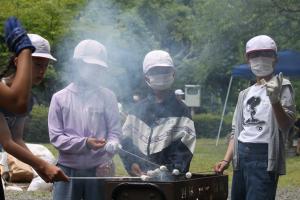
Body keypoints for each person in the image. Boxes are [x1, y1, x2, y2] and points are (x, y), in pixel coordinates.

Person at [214, 35, 296, 200]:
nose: (260, 58)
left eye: (266, 54)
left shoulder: (283, 86)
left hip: (263, 155)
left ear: (275, 58)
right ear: (248, 59)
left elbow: (286, 125)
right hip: (241, 154)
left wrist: (275, 100)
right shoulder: (245, 94)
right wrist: (226, 159)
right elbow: (236, 130)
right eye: (255, 54)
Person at [0, 17, 68, 199]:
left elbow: (17, 138)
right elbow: (6, 142)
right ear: (17, 61)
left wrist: (41, 166)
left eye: (45, 66)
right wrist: (42, 165)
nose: (42, 71)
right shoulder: (4, 91)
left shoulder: (27, 99)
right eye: (37, 64)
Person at [48, 39, 121, 200]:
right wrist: (85, 143)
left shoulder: (108, 96)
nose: (96, 71)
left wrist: (112, 146)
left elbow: (114, 131)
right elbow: (56, 138)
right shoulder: (59, 98)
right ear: (77, 64)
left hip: (99, 169)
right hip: (67, 169)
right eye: (91, 66)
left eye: (99, 67)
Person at [120, 50, 196, 176]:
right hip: (141, 178)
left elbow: (185, 149)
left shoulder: (182, 110)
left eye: (165, 71)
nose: (161, 75)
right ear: (146, 77)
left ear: (173, 74)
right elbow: (125, 142)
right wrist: (131, 164)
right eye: (156, 71)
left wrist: (166, 171)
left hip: (172, 181)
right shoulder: (136, 111)